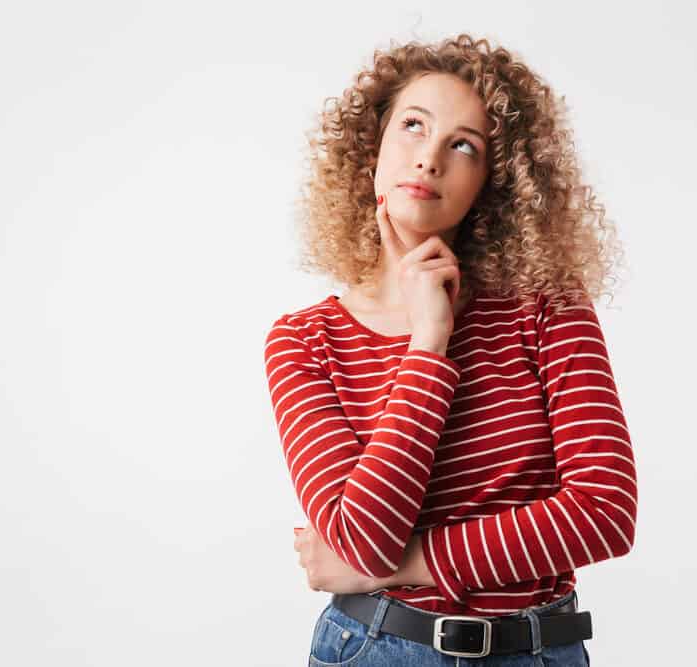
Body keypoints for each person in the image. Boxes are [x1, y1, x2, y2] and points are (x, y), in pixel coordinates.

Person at [264, 33, 636, 666]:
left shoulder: (545, 307)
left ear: (492, 181)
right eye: (413, 126)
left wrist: (406, 563)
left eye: (463, 145)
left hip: (536, 652)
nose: (429, 158)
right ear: (370, 148)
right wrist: (430, 341)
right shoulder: (305, 342)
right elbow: (363, 539)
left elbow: (604, 509)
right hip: (378, 649)